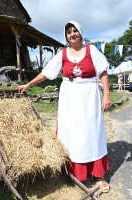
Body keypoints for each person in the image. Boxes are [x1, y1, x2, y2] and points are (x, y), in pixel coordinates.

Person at [17, 20, 111, 192]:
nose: (72, 34)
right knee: (72, 132)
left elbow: (103, 72)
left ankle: (98, 175)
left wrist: (106, 95)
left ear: (80, 33)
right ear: (66, 36)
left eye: (75, 30)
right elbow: (46, 73)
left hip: (89, 96)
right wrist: (28, 85)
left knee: (92, 131)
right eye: (69, 32)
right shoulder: (63, 54)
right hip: (70, 98)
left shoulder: (92, 50)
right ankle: (75, 171)